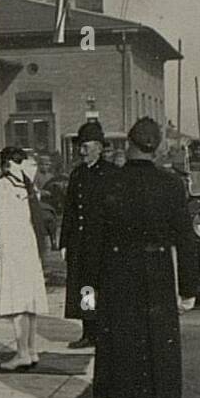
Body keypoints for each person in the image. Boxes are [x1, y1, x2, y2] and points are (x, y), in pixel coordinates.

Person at [93, 117, 198, 398]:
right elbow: (186, 239)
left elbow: (93, 242)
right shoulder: (171, 185)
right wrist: (188, 289)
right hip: (157, 272)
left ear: (129, 144)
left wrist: (90, 289)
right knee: (155, 341)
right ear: (157, 147)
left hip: (117, 272)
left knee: (122, 341)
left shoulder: (109, 183)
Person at [0, 147, 50, 370]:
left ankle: (23, 352)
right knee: (28, 302)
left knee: (17, 302)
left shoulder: (4, 185)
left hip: (12, 248)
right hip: (28, 247)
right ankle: (30, 350)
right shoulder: (28, 185)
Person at [60, 119, 114, 349]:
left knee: (104, 287)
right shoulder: (77, 174)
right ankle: (88, 331)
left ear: (99, 148)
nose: (81, 151)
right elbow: (70, 211)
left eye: (86, 146)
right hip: (81, 244)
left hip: (103, 243)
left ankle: (104, 331)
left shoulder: (111, 174)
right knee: (86, 288)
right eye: (80, 146)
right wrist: (65, 242)